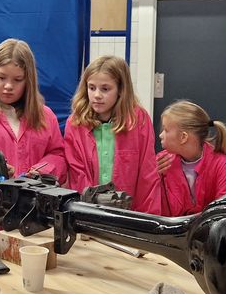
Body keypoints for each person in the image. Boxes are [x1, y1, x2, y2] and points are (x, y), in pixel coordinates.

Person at [64, 55, 161, 214]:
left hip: (129, 214)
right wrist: (84, 214)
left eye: (105, 89)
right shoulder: (75, 123)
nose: (97, 95)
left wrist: (147, 221)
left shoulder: (139, 120)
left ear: (121, 90)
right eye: (91, 87)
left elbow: (147, 175)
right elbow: (77, 176)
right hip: (88, 213)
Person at [0, 38, 66, 182]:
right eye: (2, 77)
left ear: (28, 80)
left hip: (34, 200)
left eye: (17, 79)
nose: (8, 86)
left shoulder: (45, 116)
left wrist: (41, 172)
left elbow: (58, 155)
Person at [157, 100, 226, 216]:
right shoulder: (162, 161)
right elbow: (155, 206)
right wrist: (154, 177)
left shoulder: (221, 164)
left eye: (166, 130)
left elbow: (225, 209)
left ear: (183, 137)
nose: (160, 135)